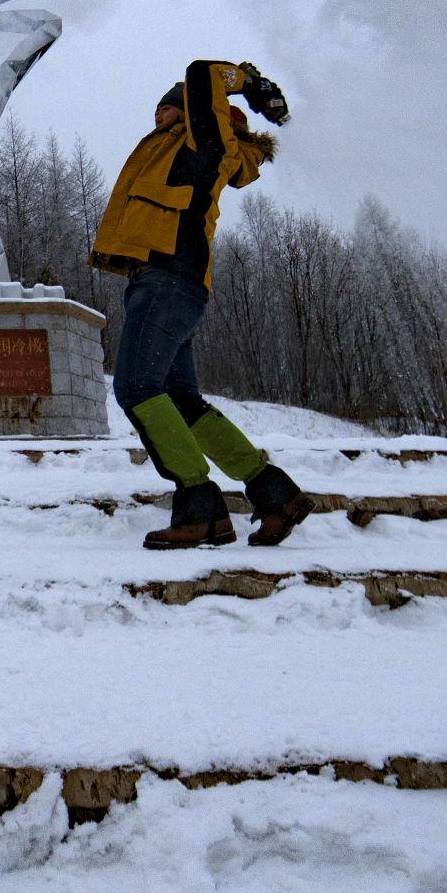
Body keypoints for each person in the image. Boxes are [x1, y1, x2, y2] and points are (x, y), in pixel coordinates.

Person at [90, 59, 313, 550]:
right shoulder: (182, 147)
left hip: (167, 281)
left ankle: (199, 504)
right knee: (182, 402)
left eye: (167, 108)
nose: (157, 116)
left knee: (136, 387)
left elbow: (202, 73)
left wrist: (247, 82)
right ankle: (274, 493)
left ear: (190, 111)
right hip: (173, 283)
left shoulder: (204, 139)